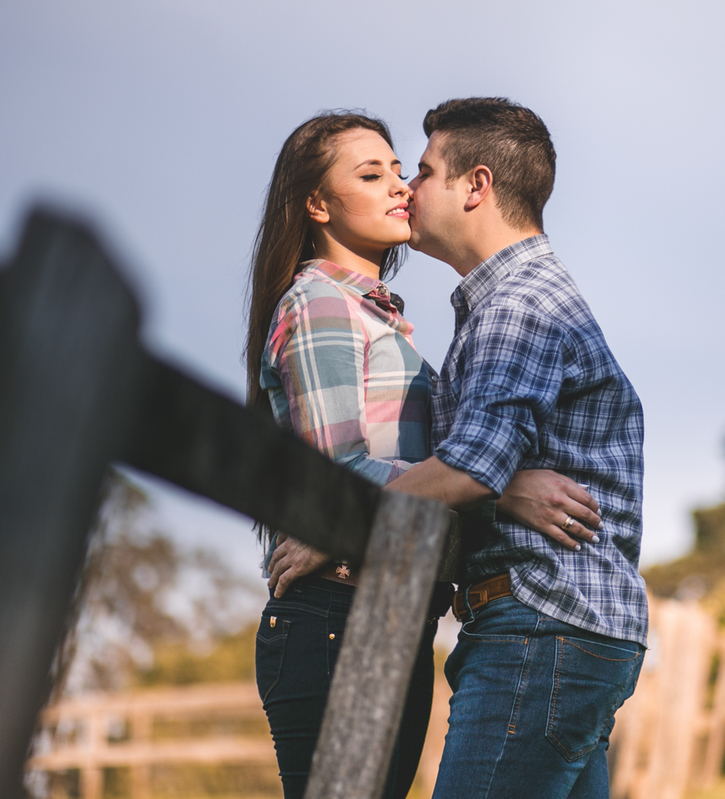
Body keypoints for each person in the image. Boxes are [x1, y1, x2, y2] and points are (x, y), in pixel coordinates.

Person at [244, 111, 602, 799]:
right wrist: (501, 487)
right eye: (370, 174)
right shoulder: (319, 305)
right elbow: (335, 473)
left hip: (385, 613)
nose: (399, 186)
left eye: (399, 170)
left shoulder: (377, 317)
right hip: (336, 618)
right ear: (317, 204)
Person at [387, 98, 648, 799]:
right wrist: (506, 482)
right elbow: (488, 467)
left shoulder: (518, 306)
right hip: (563, 629)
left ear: (476, 185)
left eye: (423, 170)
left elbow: (471, 465)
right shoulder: (513, 301)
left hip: (540, 628)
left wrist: (333, 521)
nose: (406, 188)